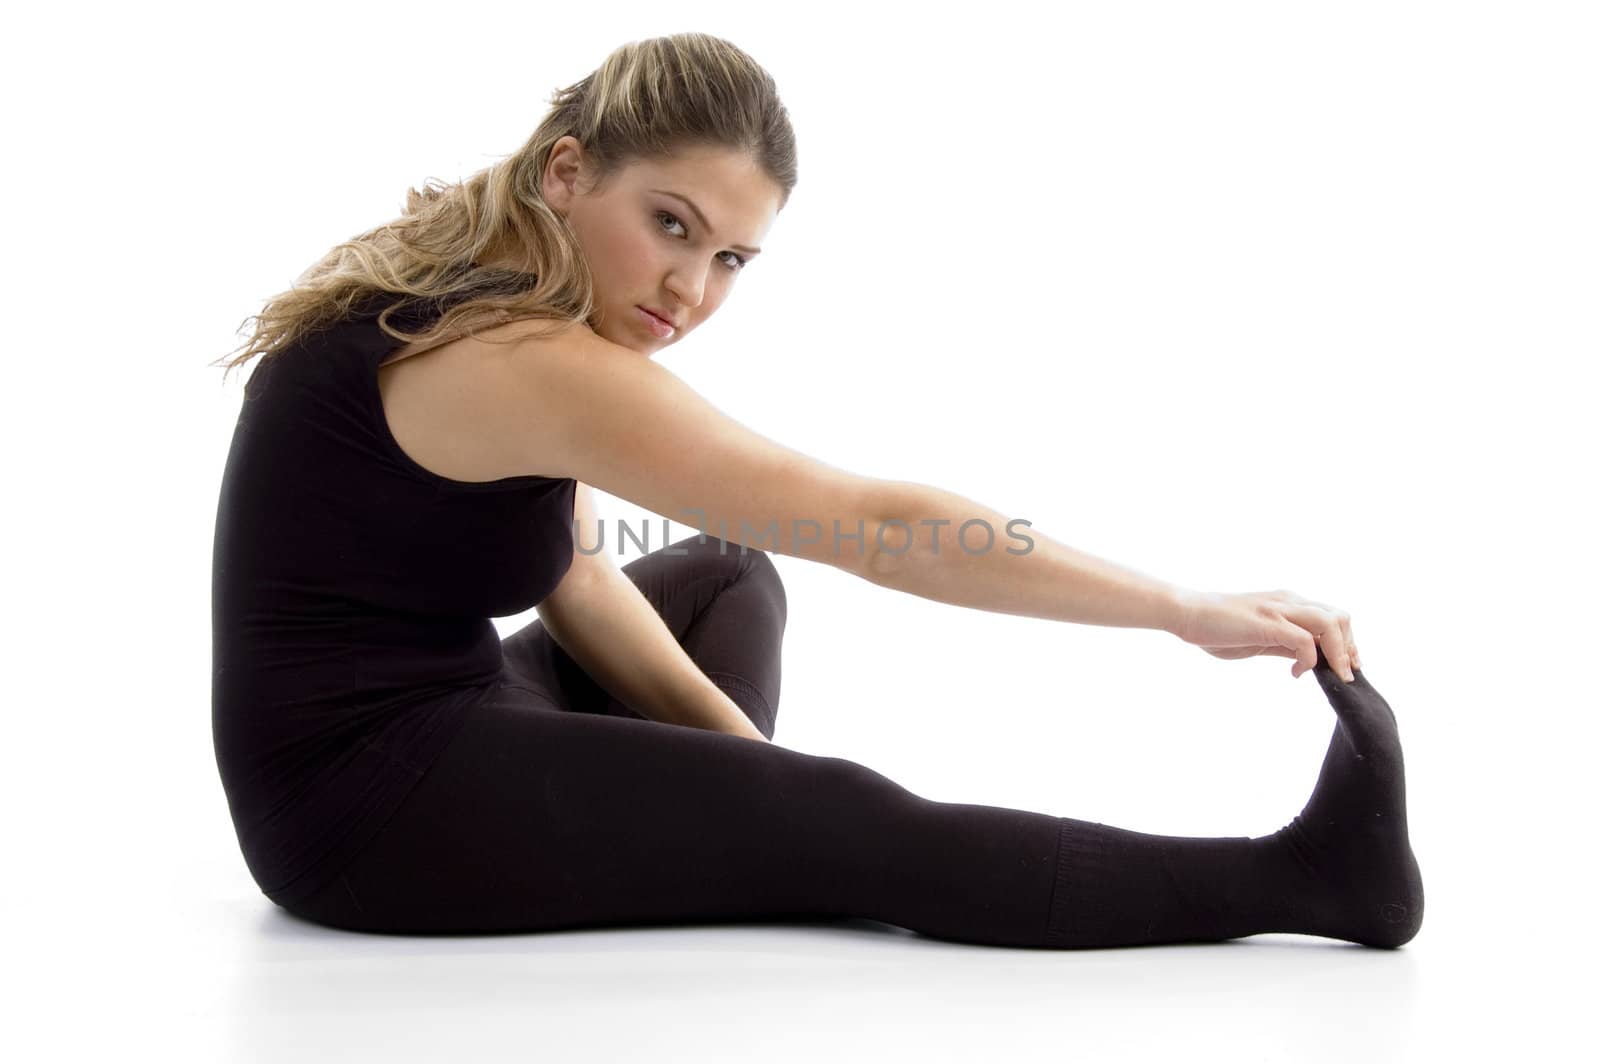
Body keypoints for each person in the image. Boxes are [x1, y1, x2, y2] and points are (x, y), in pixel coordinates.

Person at [209, 32, 1422, 948]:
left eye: (730, 257)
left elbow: (573, 567)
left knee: (731, 571)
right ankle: (1311, 877)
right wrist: (1176, 604)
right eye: (669, 224)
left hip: (455, 707)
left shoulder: (497, 273)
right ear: (569, 170)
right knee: (853, 818)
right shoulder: (526, 360)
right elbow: (876, 527)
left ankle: (716, 835)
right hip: (361, 810)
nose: (690, 287)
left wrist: (738, 769)